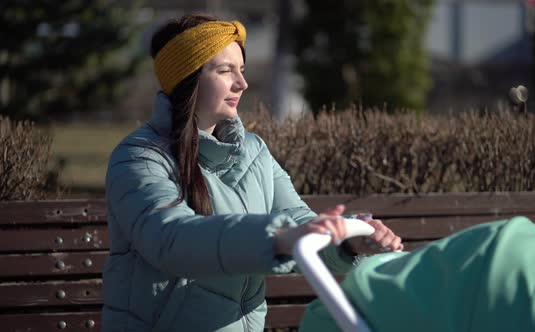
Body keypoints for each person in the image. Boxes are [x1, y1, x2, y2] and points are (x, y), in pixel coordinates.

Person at [101, 13, 402, 332]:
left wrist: (349, 237)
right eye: (225, 70)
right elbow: (171, 239)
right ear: (187, 78)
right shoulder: (139, 157)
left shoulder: (254, 151)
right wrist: (279, 238)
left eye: (241, 70)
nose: (242, 83)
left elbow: (297, 219)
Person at [300, 216, 535, 332]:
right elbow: (293, 231)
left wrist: (348, 241)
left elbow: (303, 223)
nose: (250, 84)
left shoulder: (259, 151)